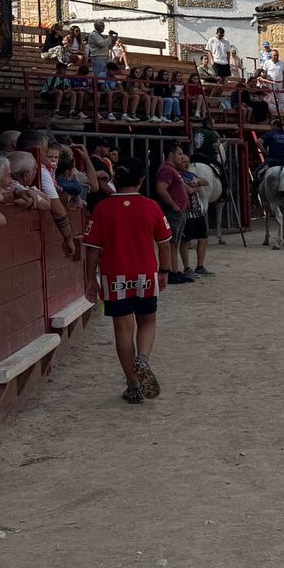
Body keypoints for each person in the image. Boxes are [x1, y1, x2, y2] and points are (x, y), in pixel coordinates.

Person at [81, 157, 173, 404]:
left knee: (123, 330)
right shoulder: (151, 206)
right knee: (147, 322)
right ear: (142, 180)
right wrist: (164, 271)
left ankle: (133, 384)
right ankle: (142, 359)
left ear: (114, 179)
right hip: (145, 273)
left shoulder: (102, 208)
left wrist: (90, 279)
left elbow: (93, 249)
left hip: (115, 276)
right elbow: (164, 244)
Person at [19, 130, 79, 258]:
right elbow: (57, 210)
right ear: (38, 150)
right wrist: (68, 238)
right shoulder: (42, 171)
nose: (48, 154)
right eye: (46, 150)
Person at [155, 144, 197, 284]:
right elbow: (161, 189)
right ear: (171, 155)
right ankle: (170, 272)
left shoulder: (172, 170)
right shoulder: (167, 170)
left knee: (175, 243)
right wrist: (174, 206)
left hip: (179, 211)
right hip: (174, 211)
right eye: (179, 154)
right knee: (171, 243)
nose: (182, 156)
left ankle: (175, 271)